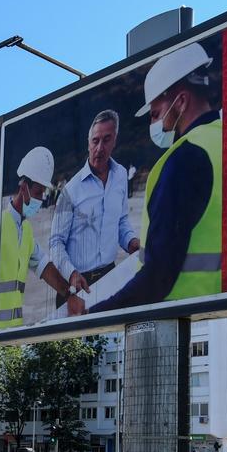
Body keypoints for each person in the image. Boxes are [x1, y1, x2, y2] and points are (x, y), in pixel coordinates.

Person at [91, 43, 221, 313]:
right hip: (223, 309)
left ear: (181, 101)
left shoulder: (184, 159)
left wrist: (94, 316)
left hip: (178, 311)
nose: (154, 124)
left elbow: (157, 277)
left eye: (155, 114)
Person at [49, 110, 139, 316]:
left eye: (106, 140)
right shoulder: (70, 191)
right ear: (88, 143)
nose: (100, 148)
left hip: (110, 277)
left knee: (109, 344)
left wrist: (132, 242)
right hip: (75, 286)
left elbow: (122, 220)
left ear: (115, 140)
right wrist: (71, 275)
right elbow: (55, 242)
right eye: (95, 141)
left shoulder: (121, 175)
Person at [0, 146, 73, 329]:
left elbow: (44, 266)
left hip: (13, 331)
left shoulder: (26, 230)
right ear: (23, 188)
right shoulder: (1, 224)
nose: (41, 199)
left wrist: (69, 294)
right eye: (38, 193)